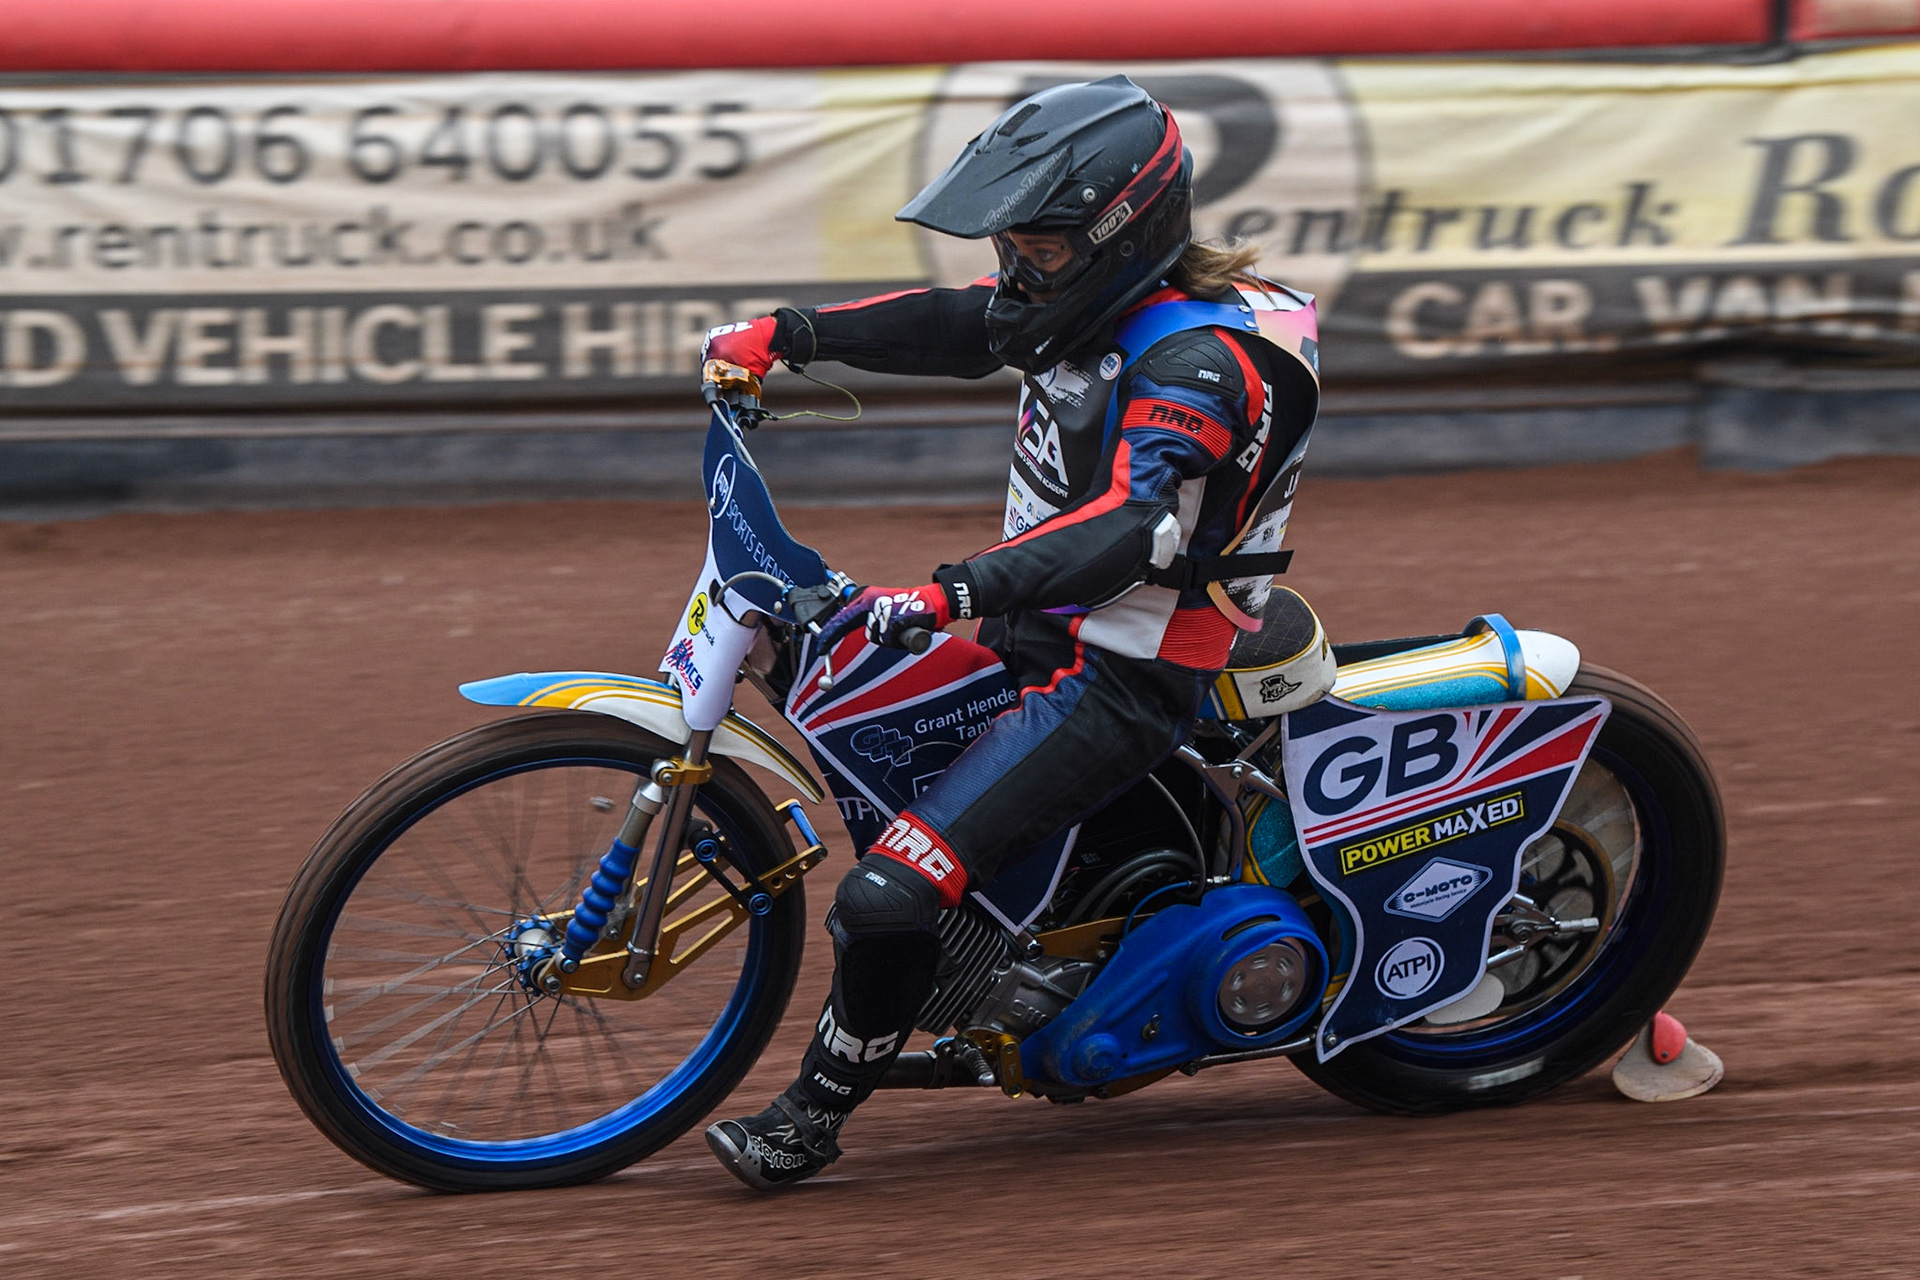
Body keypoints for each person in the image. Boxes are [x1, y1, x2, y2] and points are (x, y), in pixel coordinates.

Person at [698, 75, 1320, 1190]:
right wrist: (787, 334)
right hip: (1039, 629)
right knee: (829, 665)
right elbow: (959, 325)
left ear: (1121, 233)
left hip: (1120, 674)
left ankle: (815, 1113)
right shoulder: (1089, 304)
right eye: (1010, 245)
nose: (1012, 270)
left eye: (1036, 248)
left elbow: (1131, 530)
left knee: (887, 893)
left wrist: (953, 592)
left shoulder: (1194, 365)